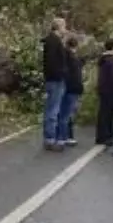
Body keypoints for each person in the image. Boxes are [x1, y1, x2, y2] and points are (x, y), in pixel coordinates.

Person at [41, 17, 67, 151]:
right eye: (64, 27)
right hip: (55, 80)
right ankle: (50, 138)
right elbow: (53, 62)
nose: (65, 30)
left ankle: (48, 137)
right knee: (53, 109)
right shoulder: (54, 41)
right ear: (59, 27)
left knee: (50, 108)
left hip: (51, 79)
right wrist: (61, 73)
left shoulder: (50, 41)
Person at [94, 39, 113, 146]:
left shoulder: (103, 59)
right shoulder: (112, 61)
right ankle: (107, 136)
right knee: (109, 114)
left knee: (103, 113)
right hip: (110, 90)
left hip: (103, 89)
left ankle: (101, 136)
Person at [58, 35, 83, 146]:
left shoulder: (65, 57)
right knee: (67, 114)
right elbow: (76, 76)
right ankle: (64, 137)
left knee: (63, 113)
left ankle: (63, 136)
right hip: (73, 88)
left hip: (66, 87)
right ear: (76, 46)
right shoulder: (74, 58)